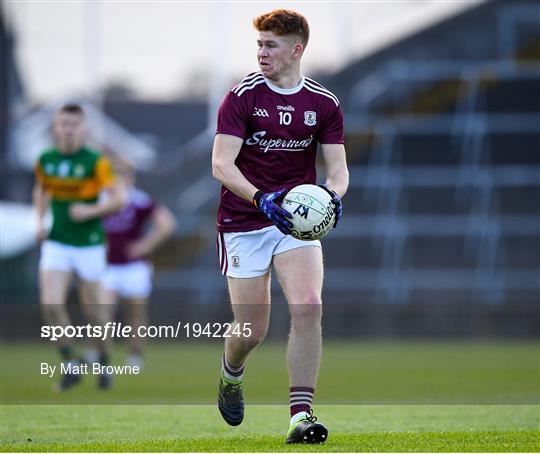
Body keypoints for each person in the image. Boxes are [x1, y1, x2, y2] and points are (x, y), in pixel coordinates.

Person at [211, 9, 348, 444]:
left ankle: (300, 416)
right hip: (244, 220)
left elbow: (338, 172)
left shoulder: (324, 104)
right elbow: (220, 164)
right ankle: (231, 374)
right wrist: (260, 198)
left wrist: (332, 198)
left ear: (296, 49)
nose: (261, 53)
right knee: (252, 331)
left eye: (270, 45)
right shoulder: (242, 97)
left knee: (309, 304)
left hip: (293, 224)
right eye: (259, 44)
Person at [33, 103, 125, 390]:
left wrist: (90, 212)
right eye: (64, 124)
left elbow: (118, 199)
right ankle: (70, 362)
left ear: (83, 128)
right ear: (56, 128)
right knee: (50, 304)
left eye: (74, 124)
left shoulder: (95, 161)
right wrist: (39, 220)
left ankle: (104, 359)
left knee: (93, 309)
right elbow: (42, 189)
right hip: (58, 240)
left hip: (89, 244)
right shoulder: (46, 159)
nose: (69, 129)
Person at [100, 155, 176, 369]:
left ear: (130, 178)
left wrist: (146, 245)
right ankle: (101, 354)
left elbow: (167, 224)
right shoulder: (101, 200)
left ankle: (135, 355)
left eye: (122, 176)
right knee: (103, 310)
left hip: (134, 266)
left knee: (135, 312)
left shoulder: (139, 201)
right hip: (108, 266)